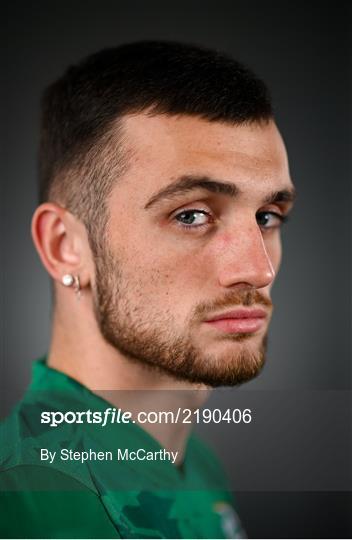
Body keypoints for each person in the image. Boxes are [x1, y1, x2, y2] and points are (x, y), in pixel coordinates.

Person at [0, 40, 295, 538]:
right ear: (65, 246)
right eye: (191, 215)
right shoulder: (33, 503)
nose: (257, 269)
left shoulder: (191, 460)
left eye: (267, 216)